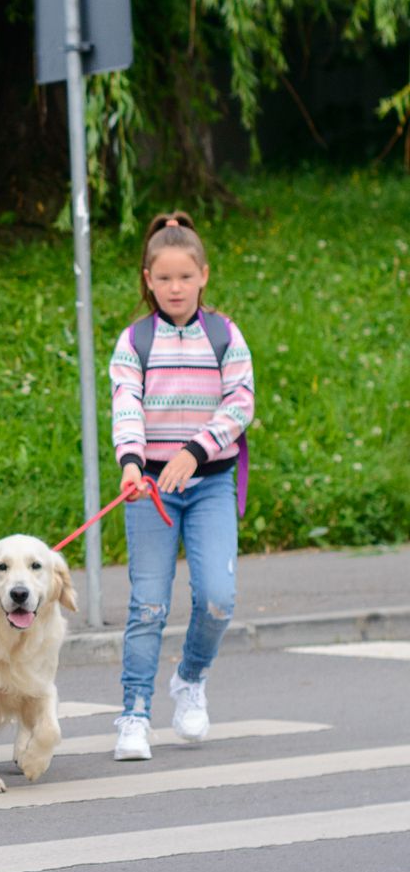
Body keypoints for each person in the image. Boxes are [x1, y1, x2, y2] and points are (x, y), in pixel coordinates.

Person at [109, 211, 255, 762]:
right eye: (164, 278)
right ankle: (134, 714)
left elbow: (240, 404)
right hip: (149, 486)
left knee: (217, 599)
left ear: (204, 277)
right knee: (147, 604)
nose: (175, 287)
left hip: (210, 483)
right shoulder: (135, 341)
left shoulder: (224, 335)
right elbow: (126, 405)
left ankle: (190, 679)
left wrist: (194, 453)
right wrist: (131, 464)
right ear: (148, 278)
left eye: (185, 277)